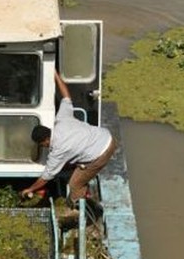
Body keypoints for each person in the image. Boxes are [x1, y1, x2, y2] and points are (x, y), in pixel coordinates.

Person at [21, 70, 116, 205]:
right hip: (106, 136)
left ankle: (78, 210)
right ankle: (83, 193)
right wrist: (56, 75)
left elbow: (46, 177)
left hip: (100, 153)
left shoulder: (58, 150)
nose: (45, 147)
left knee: (75, 184)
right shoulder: (61, 120)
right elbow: (66, 97)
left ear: (45, 141)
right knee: (73, 166)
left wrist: (29, 189)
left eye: (43, 145)